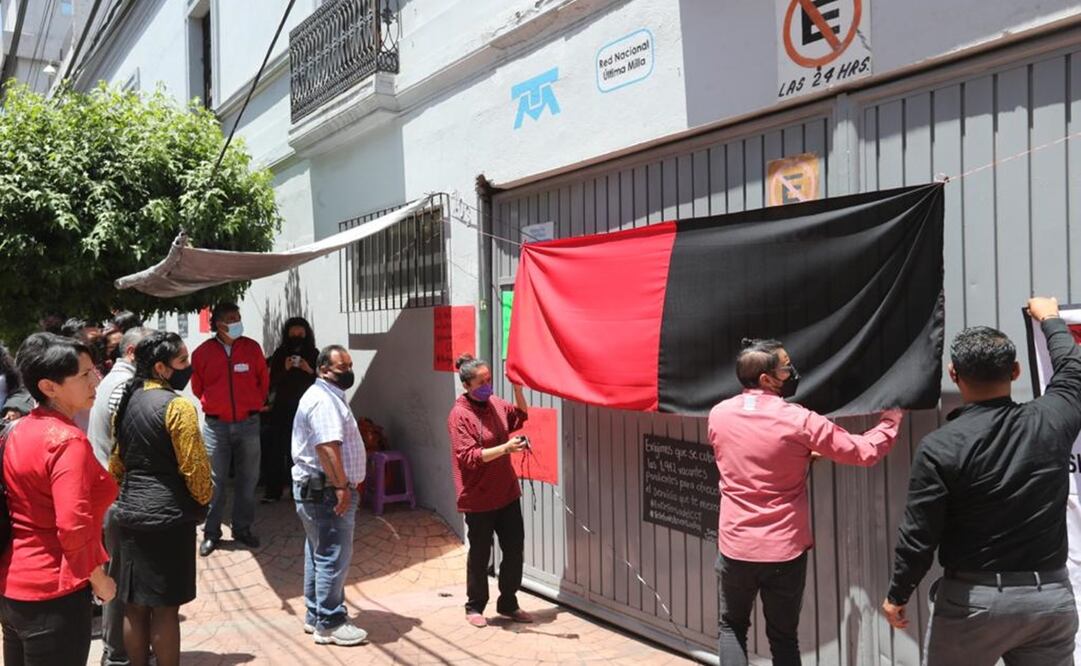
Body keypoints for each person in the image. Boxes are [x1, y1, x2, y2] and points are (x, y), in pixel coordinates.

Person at [883, 297, 1081, 665]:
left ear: (953, 374)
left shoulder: (941, 446)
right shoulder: (1051, 421)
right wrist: (1051, 319)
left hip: (973, 603)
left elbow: (919, 536)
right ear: (1017, 371)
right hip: (1048, 600)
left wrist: (898, 594)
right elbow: (1074, 369)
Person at [708, 338, 903, 666]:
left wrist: (799, 458)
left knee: (731, 627)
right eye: (786, 367)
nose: (793, 371)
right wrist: (891, 417)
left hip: (735, 548)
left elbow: (745, 459)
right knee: (783, 638)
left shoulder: (718, 414)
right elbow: (863, 452)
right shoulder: (797, 420)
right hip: (783, 551)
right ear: (767, 379)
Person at [0, 333, 118, 665]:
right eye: (83, 375)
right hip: (54, 594)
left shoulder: (18, 430)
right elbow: (73, 525)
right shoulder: (67, 442)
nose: (95, 379)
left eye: (93, 370)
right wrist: (101, 582)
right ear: (50, 387)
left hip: (15, 590)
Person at [109, 331, 212, 666]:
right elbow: (195, 469)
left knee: (134, 607)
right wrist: (204, 502)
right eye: (182, 361)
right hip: (168, 519)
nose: (188, 367)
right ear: (161, 367)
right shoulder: (178, 407)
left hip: (130, 515)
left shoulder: (127, 400)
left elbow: (116, 464)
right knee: (166, 611)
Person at [447, 353, 533, 628]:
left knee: (514, 548)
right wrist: (505, 449)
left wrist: (518, 390)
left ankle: (508, 602)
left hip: (506, 492)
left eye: (489, 379)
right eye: (481, 382)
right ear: (467, 385)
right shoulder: (460, 415)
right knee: (481, 552)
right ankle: (474, 605)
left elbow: (520, 416)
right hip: (478, 496)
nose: (488, 385)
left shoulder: (495, 403)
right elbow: (469, 457)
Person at [291, 344, 368, 646]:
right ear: (324, 369)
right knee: (333, 555)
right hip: (325, 490)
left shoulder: (327, 395)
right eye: (342, 368)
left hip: (317, 488)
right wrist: (341, 487)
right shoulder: (323, 401)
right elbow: (327, 447)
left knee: (319, 551)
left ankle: (316, 614)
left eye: (350, 365)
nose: (348, 372)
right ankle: (330, 622)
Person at [87, 325, 151, 666]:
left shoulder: (116, 381)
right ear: (131, 353)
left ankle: (119, 651)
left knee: (121, 577)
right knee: (118, 580)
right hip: (117, 493)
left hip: (113, 491)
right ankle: (116, 654)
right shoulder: (125, 386)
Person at [191, 302, 268, 556]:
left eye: (238, 317)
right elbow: (197, 388)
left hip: (248, 423)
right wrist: (217, 404)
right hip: (216, 426)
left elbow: (262, 381)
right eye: (231, 318)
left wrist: (254, 402)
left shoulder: (251, 348)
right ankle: (212, 533)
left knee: (248, 479)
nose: (237, 322)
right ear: (219, 324)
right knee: (215, 481)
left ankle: (242, 529)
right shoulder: (203, 353)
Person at [263, 317, 318, 502]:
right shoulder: (280, 353)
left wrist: (308, 369)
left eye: (300, 332)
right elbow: (271, 382)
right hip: (282, 408)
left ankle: (303, 490)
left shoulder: (313, 353)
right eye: (292, 332)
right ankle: (273, 491)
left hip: (306, 409)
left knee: (305, 450)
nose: (296, 335)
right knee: (277, 449)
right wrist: (285, 368)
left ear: (306, 333)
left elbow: (320, 381)